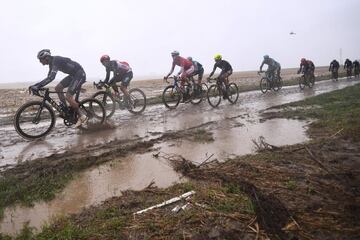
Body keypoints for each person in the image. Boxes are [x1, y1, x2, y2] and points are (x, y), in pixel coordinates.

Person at [30, 49, 87, 128]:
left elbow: (52, 77)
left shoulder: (56, 60)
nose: (40, 62)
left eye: (40, 60)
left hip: (79, 74)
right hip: (73, 75)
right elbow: (48, 78)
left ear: (46, 57)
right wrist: (36, 85)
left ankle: (82, 116)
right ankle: (66, 110)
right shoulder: (51, 64)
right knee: (58, 88)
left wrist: (38, 86)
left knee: (68, 96)